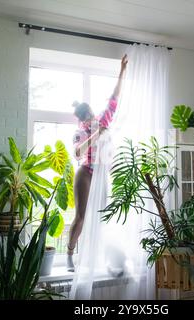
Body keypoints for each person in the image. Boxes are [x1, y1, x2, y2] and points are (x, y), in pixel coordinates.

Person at [67, 54, 128, 272]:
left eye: (88, 115)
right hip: (85, 173)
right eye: (83, 118)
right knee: (82, 216)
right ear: (80, 119)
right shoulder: (80, 132)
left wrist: (122, 70)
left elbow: (114, 96)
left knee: (102, 218)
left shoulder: (103, 119)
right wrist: (95, 135)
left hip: (102, 174)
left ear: (92, 112)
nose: (87, 120)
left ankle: (96, 257)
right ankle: (69, 255)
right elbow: (77, 152)